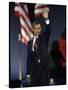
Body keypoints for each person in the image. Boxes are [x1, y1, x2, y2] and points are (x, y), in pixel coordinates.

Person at [26, 7, 54, 86]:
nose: (38, 30)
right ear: (32, 29)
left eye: (39, 28)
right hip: (34, 72)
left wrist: (47, 19)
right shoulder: (29, 43)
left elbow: (48, 30)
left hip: (44, 71)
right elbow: (29, 59)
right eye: (36, 28)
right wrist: (28, 73)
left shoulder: (44, 37)